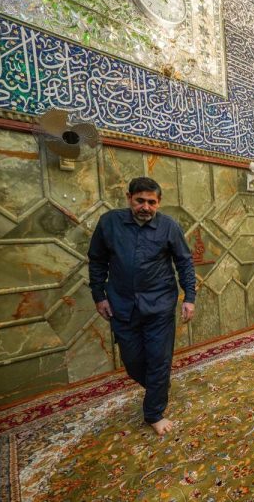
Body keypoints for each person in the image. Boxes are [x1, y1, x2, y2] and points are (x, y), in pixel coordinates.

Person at [88, 177, 196, 436]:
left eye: (151, 202)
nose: (145, 207)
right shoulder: (109, 223)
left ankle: (154, 413)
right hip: (121, 305)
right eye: (140, 201)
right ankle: (159, 386)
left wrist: (189, 297)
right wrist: (98, 296)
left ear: (158, 203)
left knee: (159, 360)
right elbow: (97, 261)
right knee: (133, 361)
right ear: (129, 199)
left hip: (159, 305)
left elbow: (184, 262)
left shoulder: (169, 227)